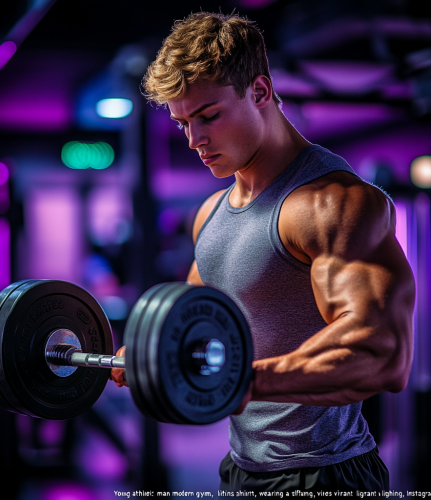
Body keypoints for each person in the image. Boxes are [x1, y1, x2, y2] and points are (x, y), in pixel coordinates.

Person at [111, 12, 415, 492]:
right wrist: (146, 353)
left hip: (328, 474)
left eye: (208, 116)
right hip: (241, 469)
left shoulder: (331, 203)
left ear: (259, 92)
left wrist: (242, 382)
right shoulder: (209, 214)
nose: (195, 140)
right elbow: (192, 320)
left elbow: (382, 352)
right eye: (182, 123)